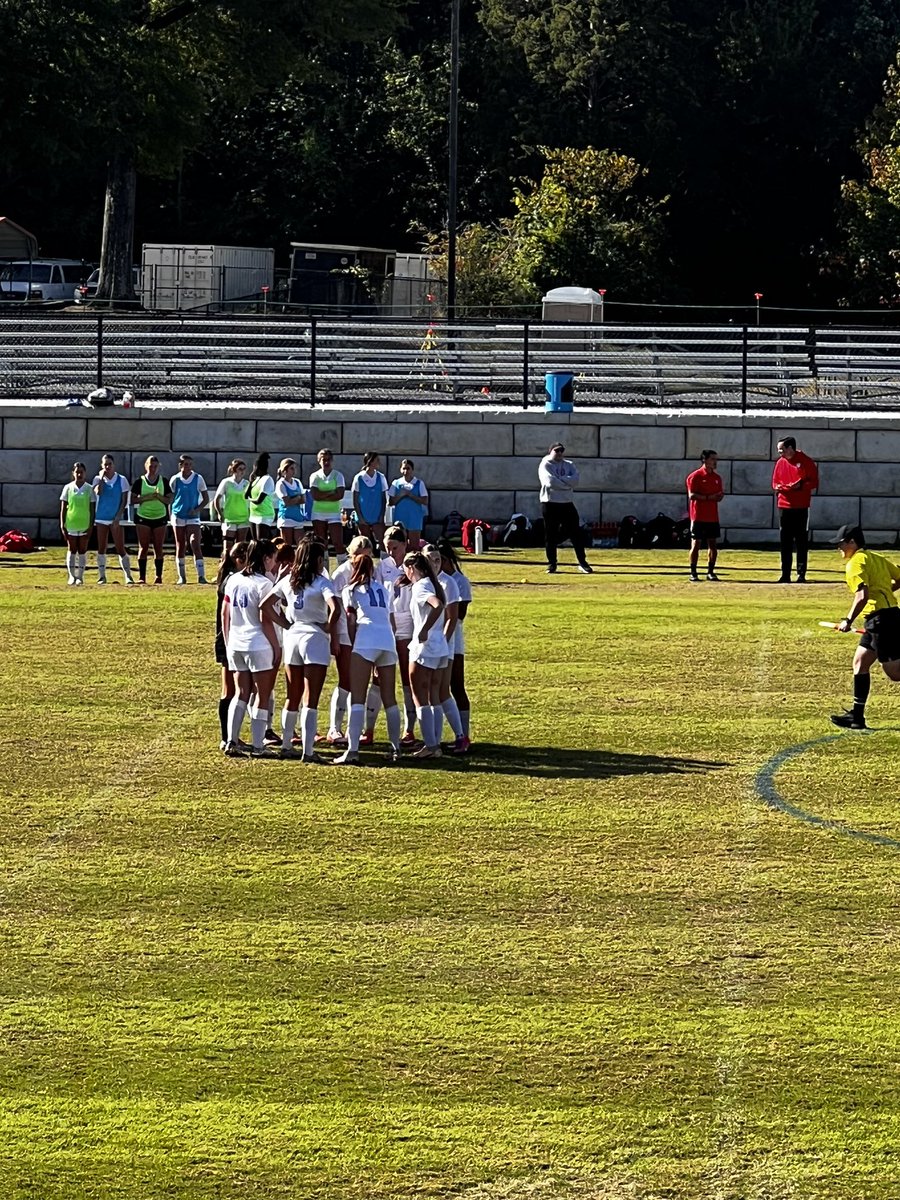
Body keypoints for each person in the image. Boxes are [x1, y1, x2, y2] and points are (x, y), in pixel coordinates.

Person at [263, 537, 338, 763]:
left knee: (292, 695)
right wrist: (327, 627)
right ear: (316, 559)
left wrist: (285, 624)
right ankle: (308, 750)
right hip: (313, 637)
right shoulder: (322, 582)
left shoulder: (289, 580)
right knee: (311, 698)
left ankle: (287, 745)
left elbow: (265, 605)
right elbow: (336, 608)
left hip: (293, 637)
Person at [828, 524, 900, 730]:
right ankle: (857, 717)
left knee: (895, 673)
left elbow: (862, 596)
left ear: (852, 542)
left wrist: (847, 621)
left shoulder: (855, 564)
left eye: (841, 543)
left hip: (881, 620)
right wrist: (885, 590)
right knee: (860, 663)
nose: (839, 548)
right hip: (882, 617)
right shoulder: (876, 558)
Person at [334, 554, 403, 765]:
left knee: (357, 698)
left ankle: (352, 750)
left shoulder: (350, 590)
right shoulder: (383, 589)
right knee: (389, 698)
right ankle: (395, 749)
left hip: (366, 638)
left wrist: (356, 644)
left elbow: (351, 620)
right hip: (387, 641)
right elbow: (391, 621)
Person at [221, 538, 280, 756]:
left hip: (237, 642)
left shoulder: (234, 579)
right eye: (273, 558)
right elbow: (266, 619)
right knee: (262, 696)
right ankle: (257, 745)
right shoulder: (264, 583)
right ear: (266, 558)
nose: (274, 563)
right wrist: (277, 646)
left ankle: (231, 741)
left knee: (241, 693)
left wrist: (229, 642)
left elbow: (225, 613)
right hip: (258, 644)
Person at [403, 549, 449, 759]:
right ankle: (435, 743)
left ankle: (430, 745)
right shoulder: (433, 583)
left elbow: (438, 606)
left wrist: (423, 630)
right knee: (434, 696)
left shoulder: (421, 586)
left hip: (425, 646)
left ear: (412, 568)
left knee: (420, 696)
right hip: (440, 645)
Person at [437, 537, 472, 751]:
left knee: (456, 685)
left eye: (440, 560)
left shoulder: (460, 581)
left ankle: (464, 734)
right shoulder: (434, 581)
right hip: (436, 635)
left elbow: (461, 614)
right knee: (437, 686)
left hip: (454, 637)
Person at [537, 442, 593, 575]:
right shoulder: (545, 464)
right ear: (550, 451)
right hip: (550, 503)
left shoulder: (569, 464)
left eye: (561, 451)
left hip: (567, 503)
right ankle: (552, 564)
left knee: (576, 534)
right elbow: (549, 482)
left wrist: (561, 481)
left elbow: (576, 481)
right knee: (550, 535)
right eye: (556, 451)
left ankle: (582, 563)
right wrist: (567, 484)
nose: (559, 453)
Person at [215, 540, 248, 749]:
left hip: (227, 638)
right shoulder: (232, 581)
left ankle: (229, 735)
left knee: (232, 690)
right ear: (239, 560)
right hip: (228, 638)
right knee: (230, 691)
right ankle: (227, 736)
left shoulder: (228, 578)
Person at [772, 436, 818, 583]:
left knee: (801, 541)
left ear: (790, 448)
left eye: (782, 450)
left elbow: (814, 482)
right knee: (785, 541)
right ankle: (785, 573)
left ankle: (801, 573)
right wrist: (780, 487)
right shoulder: (780, 463)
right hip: (784, 506)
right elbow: (775, 482)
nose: (780, 453)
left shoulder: (806, 461)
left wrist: (800, 486)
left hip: (801, 506)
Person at [92, 453, 134, 585]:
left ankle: (128, 575)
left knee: (120, 547)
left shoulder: (121, 480)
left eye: (110, 464)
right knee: (101, 547)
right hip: (101, 517)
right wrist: (102, 478)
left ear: (114, 465)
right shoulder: (97, 479)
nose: (108, 467)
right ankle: (102, 576)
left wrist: (118, 516)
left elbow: (124, 500)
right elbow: (98, 492)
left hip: (115, 518)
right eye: (105, 464)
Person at [131, 455, 172, 585]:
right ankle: (142, 577)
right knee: (143, 547)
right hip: (144, 517)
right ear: (146, 466)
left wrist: (159, 497)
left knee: (158, 547)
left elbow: (169, 499)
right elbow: (132, 500)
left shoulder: (164, 481)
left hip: (160, 516)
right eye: (150, 466)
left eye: (155, 466)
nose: (153, 469)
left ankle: (158, 576)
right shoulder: (140, 481)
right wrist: (147, 497)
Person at [169, 453, 209, 585]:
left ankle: (201, 576)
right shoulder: (175, 479)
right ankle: (182, 577)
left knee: (194, 543)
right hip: (178, 515)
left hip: (193, 516)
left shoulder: (198, 479)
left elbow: (205, 498)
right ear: (180, 465)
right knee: (180, 545)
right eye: (185, 464)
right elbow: (171, 498)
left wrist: (197, 509)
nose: (188, 467)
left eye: (190, 464)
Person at [685, 449, 725, 582]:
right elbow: (692, 495)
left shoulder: (717, 478)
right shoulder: (695, 476)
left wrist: (718, 497)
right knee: (696, 543)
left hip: (712, 516)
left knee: (713, 545)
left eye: (716, 459)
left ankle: (711, 571)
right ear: (705, 460)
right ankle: (693, 572)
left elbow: (718, 494)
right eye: (713, 459)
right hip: (698, 516)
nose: (715, 462)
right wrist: (709, 497)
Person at [59, 462, 94, 586]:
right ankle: (71, 576)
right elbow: (63, 508)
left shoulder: (89, 489)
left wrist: (91, 525)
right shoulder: (68, 488)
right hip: (71, 523)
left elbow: (92, 508)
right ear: (73, 473)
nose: (79, 474)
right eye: (77, 472)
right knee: (72, 549)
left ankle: (80, 576)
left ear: (85, 473)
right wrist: (62, 524)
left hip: (84, 523)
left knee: (82, 550)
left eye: (81, 472)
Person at [309, 447, 346, 561]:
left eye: (328, 459)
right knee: (321, 544)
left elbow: (340, 495)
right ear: (319, 461)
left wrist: (322, 495)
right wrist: (331, 492)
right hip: (318, 513)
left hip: (334, 513)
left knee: (337, 542)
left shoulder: (338, 475)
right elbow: (315, 495)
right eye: (323, 460)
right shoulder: (315, 476)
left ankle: (342, 568)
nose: (326, 462)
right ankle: (323, 569)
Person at [388, 460, 428, 551]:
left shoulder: (419, 483)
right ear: (400, 470)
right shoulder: (396, 483)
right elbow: (391, 502)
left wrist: (411, 495)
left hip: (414, 518)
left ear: (412, 470)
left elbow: (425, 500)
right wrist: (401, 495)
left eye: (408, 468)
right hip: (400, 518)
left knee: (414, 546)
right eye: (404, 468)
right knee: (399, 544)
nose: (406, 471)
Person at [352, 452, 389, 548]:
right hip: (363, 517)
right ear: (370, 461)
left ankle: (384, 562)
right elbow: (355, 499)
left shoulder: (381, 477)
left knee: (382, 542)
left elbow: (383, 498)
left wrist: (382, 515)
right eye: (377, 460)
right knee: (364, 544)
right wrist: (360, 517)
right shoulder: (358, 477)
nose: (379, 462)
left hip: (377, 517)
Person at [213, 459, 251, 552]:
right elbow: (217, 499)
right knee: (228, 546)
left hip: (243, 517)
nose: (242, 471)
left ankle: (239, 565)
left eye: (243, 469)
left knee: (241, 546)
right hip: (229, 517)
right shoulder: (226, 482)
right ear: (234, 470)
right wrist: (219, 513)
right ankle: (226, 564)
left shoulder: (246, 483)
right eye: (240, 469)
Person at [275, 458, 307, 547]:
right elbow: (287, 502)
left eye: (294, 468)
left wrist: (294, 499)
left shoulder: (297, 482)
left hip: (297, 517)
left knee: (301, 545)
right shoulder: (281, 484)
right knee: (286, 546)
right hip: (286, 518)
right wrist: (297, 498)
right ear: (285, 470)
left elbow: (303, 499)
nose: (294, 471)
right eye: (291, 468)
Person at [247, 452, 277, 541]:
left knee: (262, 542)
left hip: (264, 515)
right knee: (255, 542)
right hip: (254, 514)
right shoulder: (256, 480)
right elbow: (246, 494)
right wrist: (251, 482)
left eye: (254, 468)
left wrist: (249, 499)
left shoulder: (267, 480)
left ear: (257, 467)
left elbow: (259, 500)